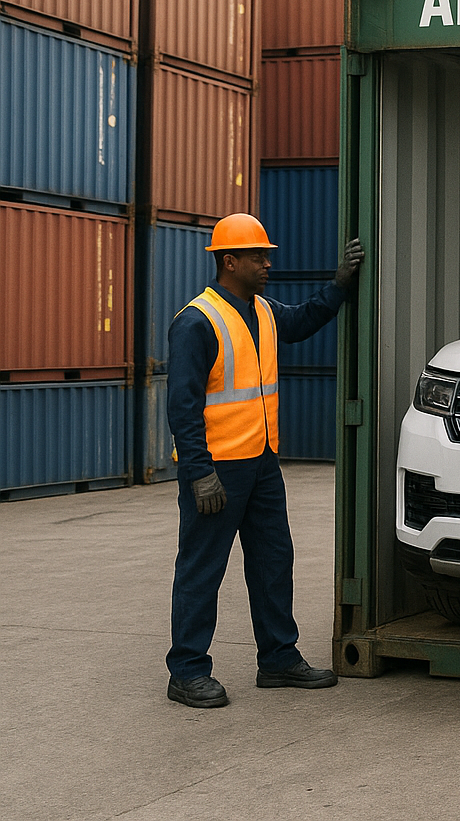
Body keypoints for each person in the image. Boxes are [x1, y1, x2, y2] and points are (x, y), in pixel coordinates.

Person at [164, 212, 365, 709]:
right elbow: (182, 407)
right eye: (257, 256)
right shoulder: (197, 322)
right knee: (201, 569)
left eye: (266, 255)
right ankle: (187, 671)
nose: (267, 263)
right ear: (229, 261)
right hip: (217, 470)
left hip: (261, 463)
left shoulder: (265, 312)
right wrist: (199, 473)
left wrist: (339, 285)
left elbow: (304, 319)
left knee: (274, 561)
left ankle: (278, 658)